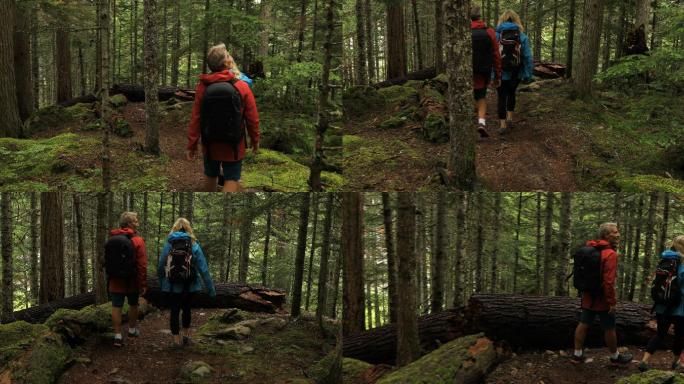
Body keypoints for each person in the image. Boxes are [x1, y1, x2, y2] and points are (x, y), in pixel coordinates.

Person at [187, 43, 260, 192]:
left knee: (211, 175)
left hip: (210, 143)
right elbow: (252, 118)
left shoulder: (202, 87)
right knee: (232, 179)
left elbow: (196, 118)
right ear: (226, 63)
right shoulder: (241, 86)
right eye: (227, 55)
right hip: (234, 144)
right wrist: (255, 140)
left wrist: (192, 144)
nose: (229, 56)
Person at [571, 222, 633, 365]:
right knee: (609, 327)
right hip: (603, 298)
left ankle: (577, 354)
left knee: (584, 323)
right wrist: (611, 302)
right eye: (615, 232)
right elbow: (609, 282)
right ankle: (615, 356)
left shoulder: (591, 248)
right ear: (606, 235)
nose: (618, 234)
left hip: (588, 295)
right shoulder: (610, 254)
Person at [157, 218, 216, 347]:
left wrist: (162, 282)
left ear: (175, 228)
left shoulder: (169, 244)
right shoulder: (193, 244)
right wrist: (210, 289)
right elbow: (203, 269)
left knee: (174, 310)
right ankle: (186, 336)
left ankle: (176, 340)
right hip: (190, 285)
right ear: (189, 229)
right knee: (187, 309)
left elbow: (161, 265)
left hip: (172, 285)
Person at [639, 236, 684, 372]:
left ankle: (644, 361)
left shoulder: (665, 261)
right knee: (680, 336)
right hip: (680, 309)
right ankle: (675, 363)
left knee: (660, 334)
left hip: (662, 306)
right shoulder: (682, 265)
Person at [105, 212, 148, 347]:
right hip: (132, 281)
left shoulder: (111, 238)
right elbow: (142, 265)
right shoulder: (138, 241)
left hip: (115, 280)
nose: (137, 223)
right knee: (133, 304)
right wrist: (143, 283)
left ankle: (117, 336)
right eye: (135, 221)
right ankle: (132, 330)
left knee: (116, 306)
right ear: (129, 223)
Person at [494, 10, 533, 135]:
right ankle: (510, 118)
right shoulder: (522, 36)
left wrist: (491, 74)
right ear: (517, 21)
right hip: (516, 73)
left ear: (502, 20)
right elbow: (527, 57)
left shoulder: (496, 36)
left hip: (500, 73)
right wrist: (528, 74)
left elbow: (491, 56)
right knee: (511, 93)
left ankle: (502, 125)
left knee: (501, 97)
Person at [471, 5, 502, 138]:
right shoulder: (489, 32)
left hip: (466, 70)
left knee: (467, 95)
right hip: (483, 71)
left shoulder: (462, 32)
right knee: (481, 96)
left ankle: (467, 124)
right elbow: (496, 55)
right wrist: (497, 75)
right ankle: (481, 122)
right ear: (480, 16)